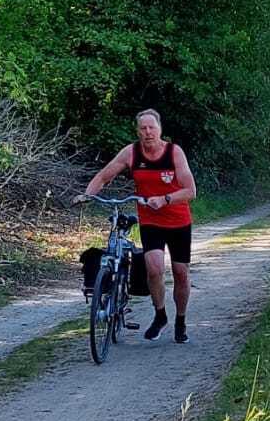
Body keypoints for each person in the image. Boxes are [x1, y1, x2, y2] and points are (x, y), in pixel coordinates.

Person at [77, 110, 196, 342]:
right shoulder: (131, 152)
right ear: (137, 131)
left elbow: (190, 190)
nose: (148, 132)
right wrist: (86, 195)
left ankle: (180, 320)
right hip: (151, 221)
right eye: (143, 128)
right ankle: (160, 315)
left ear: (160, 129)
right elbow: (103, 176)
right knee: (153, 269)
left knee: (181, 274)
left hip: (178, 220)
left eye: (152, 127)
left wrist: (164, 199)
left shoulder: (174, 153)